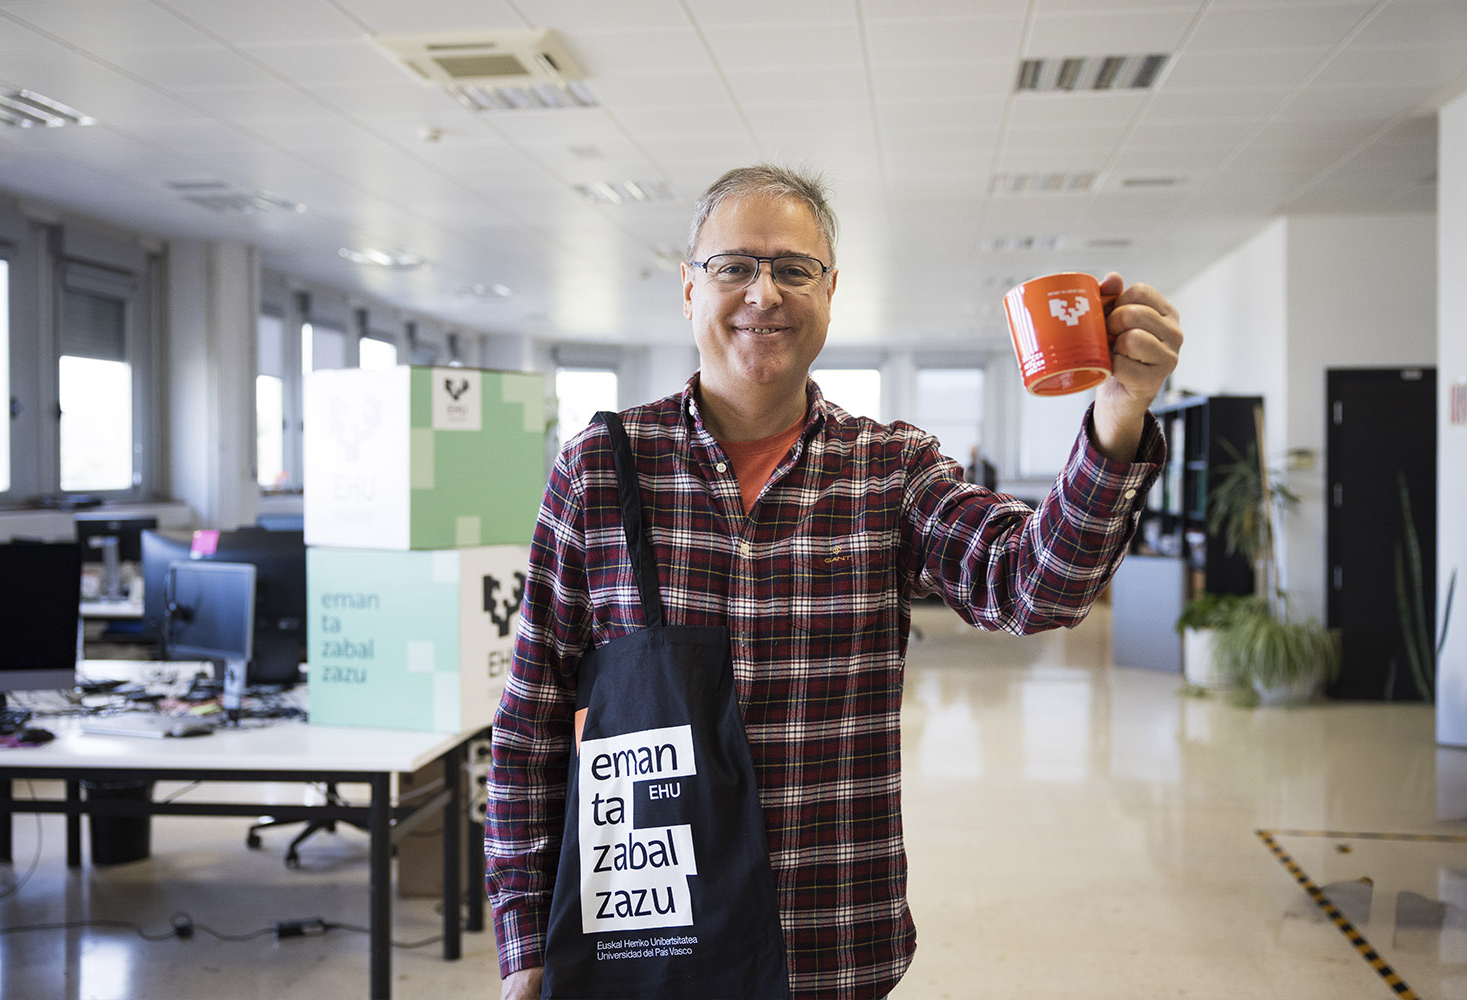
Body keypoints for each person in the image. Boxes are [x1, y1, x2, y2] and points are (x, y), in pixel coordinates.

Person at [486, 164, 1182, 1000]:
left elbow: (1034, 584)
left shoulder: (889, 469)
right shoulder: (600, 468)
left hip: (827, 938)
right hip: (645, 944)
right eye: (734, 266)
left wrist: (1118, 413)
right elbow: (531, 720)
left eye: (793, 268)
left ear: (830, 290)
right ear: (687, 289)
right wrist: (526, 941)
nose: (763, 292)